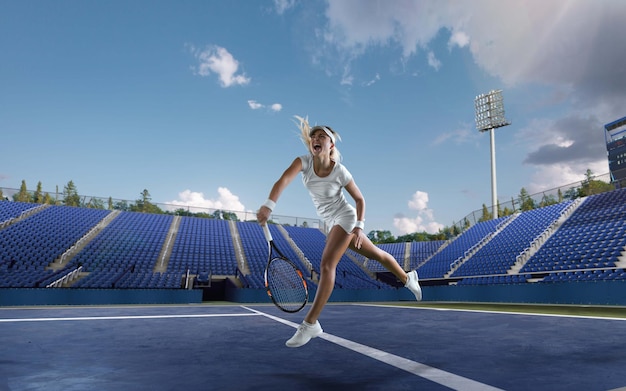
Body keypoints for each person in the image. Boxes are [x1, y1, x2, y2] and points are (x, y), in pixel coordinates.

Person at [256, 116, 422, 348]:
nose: (316, 139)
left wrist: (359, 227)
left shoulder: (340, 171)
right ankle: (407, 277)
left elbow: (360, 200)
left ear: (331, 145)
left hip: (346, 217)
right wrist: (269, 204)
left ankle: (310, 323)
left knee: (327, 265)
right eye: (313, 136)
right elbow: (283, 180)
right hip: (330, 221)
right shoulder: (302, 162)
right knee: (376, 254)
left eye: (321, 136)